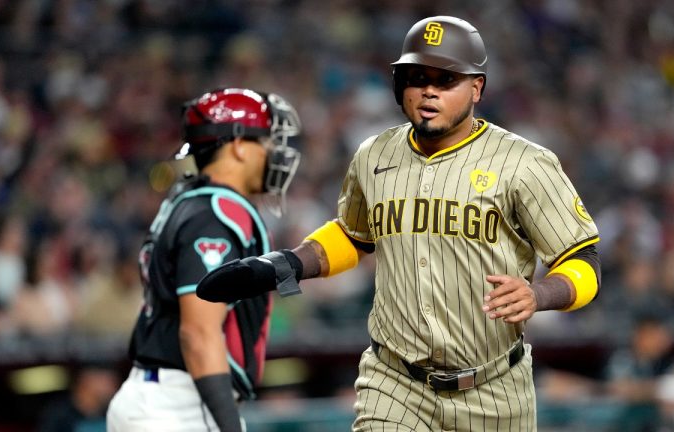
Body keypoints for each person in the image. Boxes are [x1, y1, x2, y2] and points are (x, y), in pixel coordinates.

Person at [197, 16, 601, 432]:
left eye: (446, 79)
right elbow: (353, 235)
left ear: (477, 88)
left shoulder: (524, 163)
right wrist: (285, 265)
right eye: (416, 77)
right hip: (395, 384)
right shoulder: (374, 155)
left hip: (495, 388)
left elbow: (584, 261)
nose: (428, 89)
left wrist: (539, 293)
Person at [106, 88, 302, 432]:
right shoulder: (214, 213)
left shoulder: (196, 203)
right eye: (267, 140)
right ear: (239, 146)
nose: (275, 152)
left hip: (165, 397)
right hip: (178, 404)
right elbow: (198, 332)